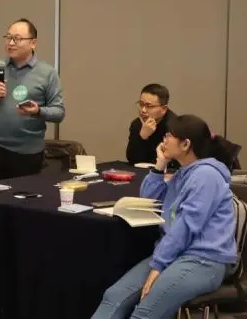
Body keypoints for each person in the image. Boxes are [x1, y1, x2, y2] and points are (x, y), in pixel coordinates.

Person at [92, 115, 237, 319]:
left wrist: (159, 264)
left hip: (204, 260)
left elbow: (186, 226)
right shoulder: (184, 173)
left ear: (185, 144)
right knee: (113, 296)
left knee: (145, 313)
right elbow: (150, 200)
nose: (164, 140)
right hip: (174, 254)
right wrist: (159, 166)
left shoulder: (206, 176)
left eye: (169, 136)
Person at [0, 18, 65, 182]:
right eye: (8, 37)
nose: (11, 43)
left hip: (28, 156)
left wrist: (38, 111)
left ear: (33, 43)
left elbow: (59, 112)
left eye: (17, 38)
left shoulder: (47, 73)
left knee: (24, 197)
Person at [126, 83, 179, 171]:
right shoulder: (137, 124)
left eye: (149, 106)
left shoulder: (175, 126)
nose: (143, 110)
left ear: (164, 109)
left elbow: (172, 163)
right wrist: (142, 137)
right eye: (141, 104)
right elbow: (132, 159)